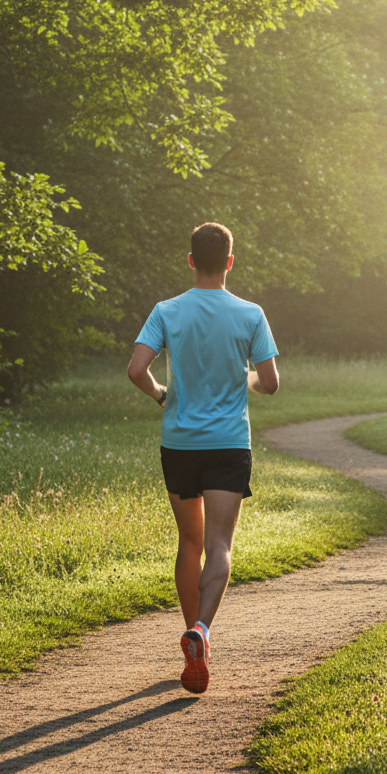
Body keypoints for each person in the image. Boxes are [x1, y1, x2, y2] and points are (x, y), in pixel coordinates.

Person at [127, 223, 279, 694]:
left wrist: (160, 396)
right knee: (220, 546)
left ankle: (193, 635)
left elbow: (136, 369)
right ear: (230, 262)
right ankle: (201, 634)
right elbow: (270, 383)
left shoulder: (166, 311)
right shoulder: (250, 314)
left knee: (188, 542)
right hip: (229, 444)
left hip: (180, 444)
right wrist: (247, 381)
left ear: (191, 260)